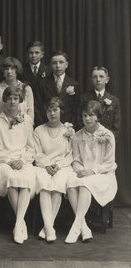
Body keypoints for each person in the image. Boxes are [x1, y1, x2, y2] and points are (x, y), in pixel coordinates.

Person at [65, 100, 117, 243]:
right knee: (70, 184)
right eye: (84, 115)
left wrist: (91, 171)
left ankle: (75, 227)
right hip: (83, 173)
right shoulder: (77, 136)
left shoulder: (107, 135)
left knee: (84, 185)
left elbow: (109, 163)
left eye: (90, 115)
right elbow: (76, 159)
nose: (87, 118)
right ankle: (84, 227)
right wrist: (80, 170)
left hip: (103, 174)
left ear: (97, 116)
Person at [0, 86, 36, 244]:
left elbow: (31, 147)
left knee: (25, 179)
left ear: (20, 101)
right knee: (11, 178)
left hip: (23, 161)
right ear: (4, 100)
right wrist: (8, 161)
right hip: (5, 162)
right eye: (9, 98)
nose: (12, 102)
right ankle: (21, 224)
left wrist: (22, 160)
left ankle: (18, 223)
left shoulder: (26, 120)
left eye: (16, 99)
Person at [33, 97, 77, 243]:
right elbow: (37, 152)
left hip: (62, 166)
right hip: (44, 166)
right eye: (49, 110)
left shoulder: (68, 130)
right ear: (45, 112)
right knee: (45, 185)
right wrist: (46, 164)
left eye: (55, 110)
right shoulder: (39, 130)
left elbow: (71, 153)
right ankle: (50, 228)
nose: (52, 113)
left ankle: (47, 227)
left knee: (58, 184)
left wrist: (58, 165)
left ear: (61, 111)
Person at [36, 51, 79, 127]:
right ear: (50, 65)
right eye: (54, 63)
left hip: (67, 126)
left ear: (66, 65)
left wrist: (70, 125)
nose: (58, 66)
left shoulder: (74, 84)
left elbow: (76, 109)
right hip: (47, 125)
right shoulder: (42, 83)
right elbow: (38, 107)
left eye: (61, 62)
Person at [79, 66, 121, 141]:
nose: (98, 79)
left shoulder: (114, 100)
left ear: (107, 80)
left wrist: (107, 138)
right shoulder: (84, 99)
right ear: (91, 80)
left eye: (101, 77)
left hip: (106, 140)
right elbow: (79, 121)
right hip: (87, 140)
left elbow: (116, 126)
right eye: (95, 77)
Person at [0, 57, 34, 122]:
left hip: (22, 126)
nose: (9, 72)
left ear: (17, 70)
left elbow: (30, 113)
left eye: (13, 68)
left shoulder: (26, 88)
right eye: (6, 69)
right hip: (1, 127)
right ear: (3, 71)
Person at [22, 41, 50, 126]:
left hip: (44, 112)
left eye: (36, 52)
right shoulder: (21, 70)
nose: (33, 55)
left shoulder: (48, 71)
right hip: (27, 111)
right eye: (31, 53)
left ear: (42, 54)